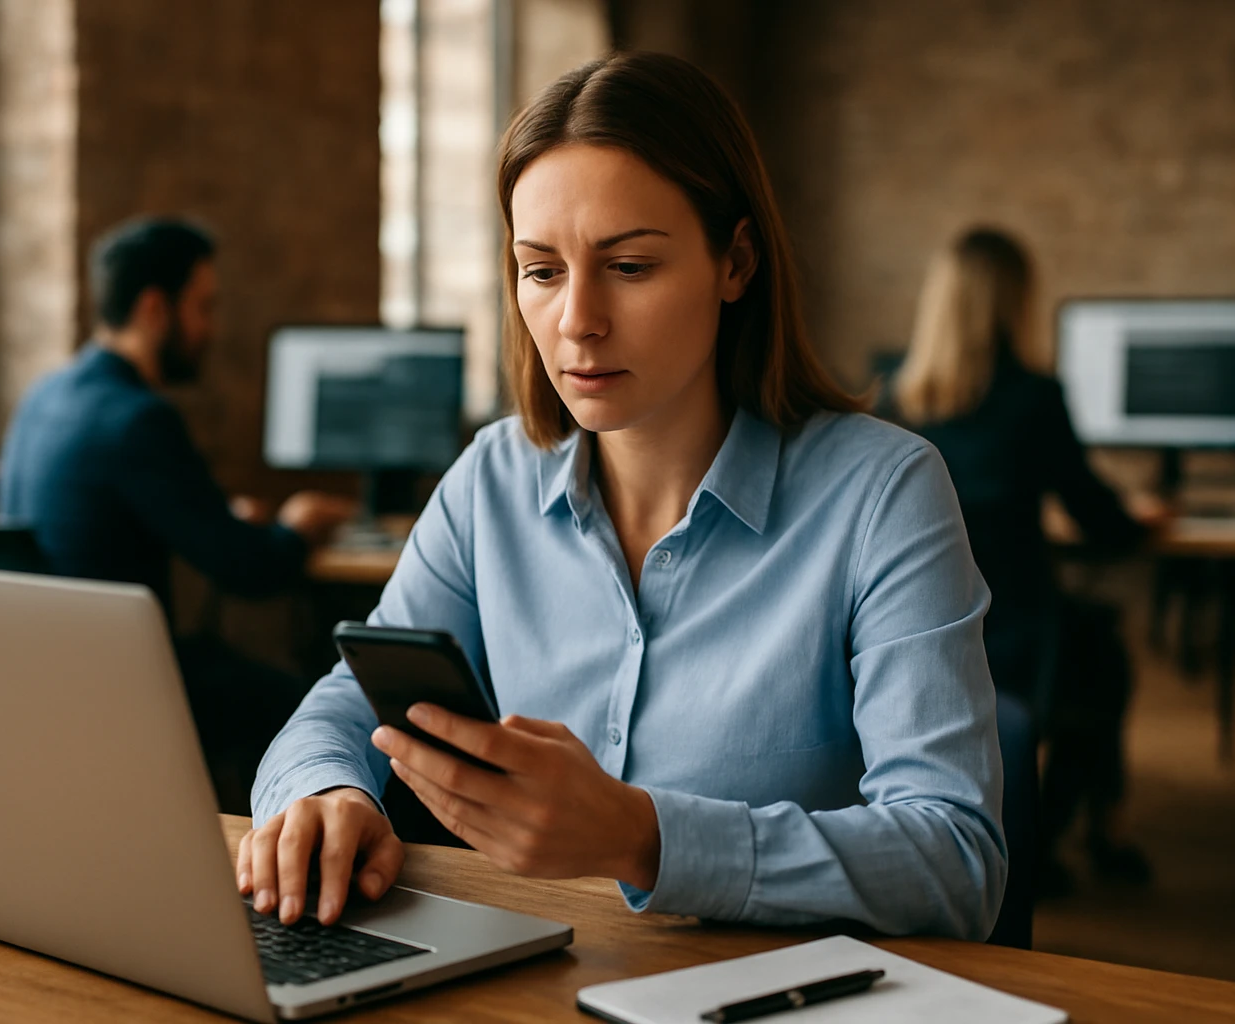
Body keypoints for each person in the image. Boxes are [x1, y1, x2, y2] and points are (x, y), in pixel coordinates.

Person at [241, 52, 1007, 940]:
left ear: (736, 262)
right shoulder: (493, 478)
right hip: (534, 983)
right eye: (542, 270)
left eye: (630, 266)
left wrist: (643, 837)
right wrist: (324, 792)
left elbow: (957, 864)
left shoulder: (884, 493)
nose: (577, 321)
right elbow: (349, 699)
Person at [0, 217, 356, 811]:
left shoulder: (47, 394)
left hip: (45, 677)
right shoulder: (140, 418)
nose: (210, 329)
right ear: (154, 308)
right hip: (127, 685)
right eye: (203, 308)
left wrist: (216, 514)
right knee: (313, 706)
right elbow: (250, 571)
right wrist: (299, 523)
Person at [880, 227, 1161, 895]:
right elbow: (1100, 518)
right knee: (1106, 660)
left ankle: (1064, 833)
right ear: (1012, 304)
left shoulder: (897, 403)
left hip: (920, 631)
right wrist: (1142, 516)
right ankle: (1065, 833)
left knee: (1091, 650)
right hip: (1019, 635)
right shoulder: (1035, 398)